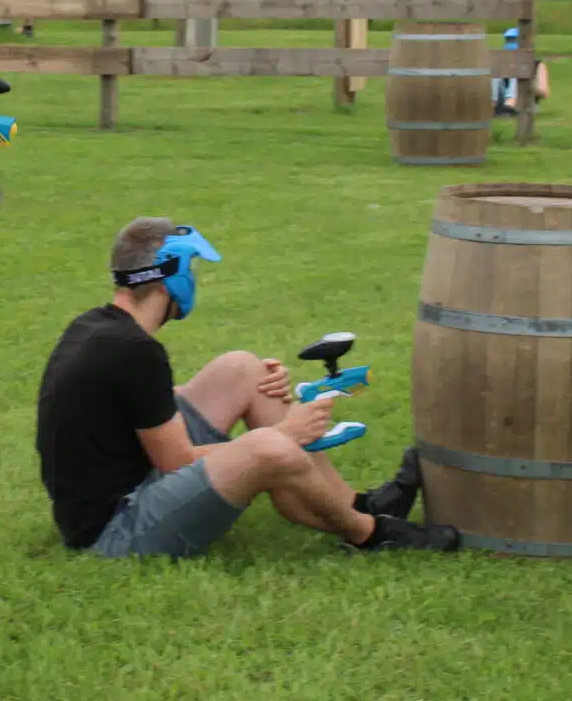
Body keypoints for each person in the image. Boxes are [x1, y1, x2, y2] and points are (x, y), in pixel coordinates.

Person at [35, 216, 461, 559]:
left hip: (128, 482)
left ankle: (355, 503)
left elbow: (137, 403)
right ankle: (369, 533)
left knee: (243, 369)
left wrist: (261, 388)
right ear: (172, 277)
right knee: (269, 447)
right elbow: (175, 460)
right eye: (191, 270)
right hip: (115, 530)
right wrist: (287, 432)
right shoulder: (135, 350)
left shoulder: (98, 327)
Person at [491, 26, 551, 116]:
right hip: (500, 102)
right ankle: (491, 106)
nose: (510, 42)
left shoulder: (537, 64)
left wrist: (527, 84)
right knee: (494, 73)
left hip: (525, 103)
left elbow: (544, 93)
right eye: (508, 40)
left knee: (519, 74)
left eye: (513, 40)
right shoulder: (501, 62)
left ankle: (509, 105)